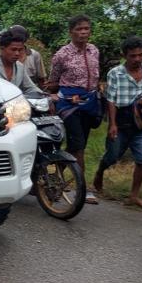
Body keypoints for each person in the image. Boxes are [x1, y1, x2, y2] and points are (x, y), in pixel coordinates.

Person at [93, 36, 142, 208]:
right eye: (133, 56)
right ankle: (100, 172)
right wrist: (113, 124)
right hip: (121, 121)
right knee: (113, 156)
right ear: (125, 55)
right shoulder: (115, 73)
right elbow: (111, 101)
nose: (137, 59)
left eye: (140, 55)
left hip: (141, 123)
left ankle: (134, 195)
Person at [48, 15, 102, 204]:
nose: (83, 33)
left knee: (76, 146)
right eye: (79, 29)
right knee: (78, 146)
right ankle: (83, 190)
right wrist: (55, 97)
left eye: (86, 29)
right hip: (69, 104)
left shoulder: (94, 50)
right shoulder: (62, 54)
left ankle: (52, 180)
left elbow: (96, 77)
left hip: (90, 102)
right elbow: (52, 82)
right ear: (71, 31)